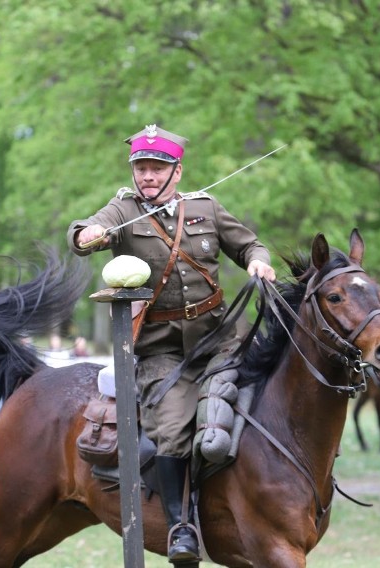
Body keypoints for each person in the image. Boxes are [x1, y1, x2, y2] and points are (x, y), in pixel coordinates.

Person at [68, 124, 275, 562]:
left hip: (222, 340)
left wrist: (259, 264)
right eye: (141, 168)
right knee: (176, 429)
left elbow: (250, 245)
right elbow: (87, 230)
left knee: (246, 409)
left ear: (176, 172)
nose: (147, 175)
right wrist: (86, 236)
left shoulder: (206, 207)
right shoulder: (123, 210)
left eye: (156, 168)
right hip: (162, 352)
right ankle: (182, 528)